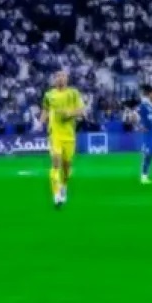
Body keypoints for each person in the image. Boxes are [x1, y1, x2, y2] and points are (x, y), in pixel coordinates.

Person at [41, 71, 84, 208]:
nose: (60, 78)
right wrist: (41, 121)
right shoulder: (48, 95)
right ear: (54, 79)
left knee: (66, 168)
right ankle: (56, 195)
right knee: (56, 164)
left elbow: (81, 111)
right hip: (55, 135)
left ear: (67, 79)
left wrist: (69, 113)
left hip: (69, 136)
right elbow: (45, 109)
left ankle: (64, 185)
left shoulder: (73, 93)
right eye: (57, 76)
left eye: (62, 76)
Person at [138, 87, 152, 184]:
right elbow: (137, 115)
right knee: (147, 154)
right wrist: (140, 125)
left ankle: (145, 175)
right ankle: (143, 176)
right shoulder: (144, 105)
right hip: (148, 134)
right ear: (150, 95)